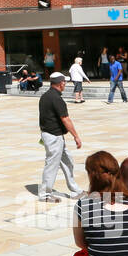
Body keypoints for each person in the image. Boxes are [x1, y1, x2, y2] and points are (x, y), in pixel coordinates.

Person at [39, 73, 82, 203]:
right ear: (60, 83)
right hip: (53, 137)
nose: (65, 84)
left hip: (53, 136)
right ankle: (45, 195)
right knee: (51, 165)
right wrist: (76, 136)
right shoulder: (56, 99)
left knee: (68, 161)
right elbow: (65, 119)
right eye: (64, 82)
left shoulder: (45, 96)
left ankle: (75, 191)